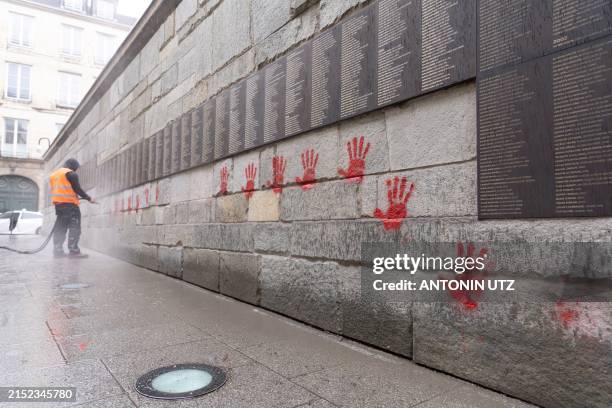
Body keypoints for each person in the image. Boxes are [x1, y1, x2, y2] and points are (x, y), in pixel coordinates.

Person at [49, 158, 94, 258]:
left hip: (59, 206)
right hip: (70, 206)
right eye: (76, 168)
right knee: (75, 227)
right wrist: (89, 198)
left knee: (60, 228)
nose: (76, 170)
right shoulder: (71, 174)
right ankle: (73, 251)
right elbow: (77, 189)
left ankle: (58, 250)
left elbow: (62, 189)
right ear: (73, 166)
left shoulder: (54, 175)